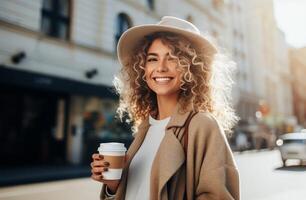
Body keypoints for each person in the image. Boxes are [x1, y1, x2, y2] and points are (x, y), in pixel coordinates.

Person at [91, 16, 240, 200]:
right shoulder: (146, 128)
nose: (160, 67)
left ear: (190, 68)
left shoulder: (202, 125)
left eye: (172, 58)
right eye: (153, 59)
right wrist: (113, 187)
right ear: (142, 69)